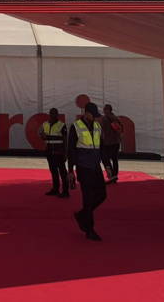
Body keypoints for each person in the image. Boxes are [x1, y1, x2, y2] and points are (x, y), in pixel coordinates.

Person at [68, 102, 106, 241]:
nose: (94, 118)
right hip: (83, 167)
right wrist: (70, 170)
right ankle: (89, 229)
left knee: (102, 195)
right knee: (88, 198)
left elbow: (102, 147)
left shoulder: (97, 127)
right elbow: (71, 150)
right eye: (93, 115)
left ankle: (82, 214)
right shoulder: (76, 127)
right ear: (86, 113)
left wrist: (107, 165)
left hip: (96, 166)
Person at [38, 108, 70, 198]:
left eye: (55, 113)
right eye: (51, 113)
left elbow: (65, 140)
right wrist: (42, 136)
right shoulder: (45, 124)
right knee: (53, 171)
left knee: (62, 171)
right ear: (49, 114)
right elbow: (42, 135)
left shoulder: (62, 125)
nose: (53, 115)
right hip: (49, 151)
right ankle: (55, 189)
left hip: (59, 151)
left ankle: (65, 191)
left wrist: (65, 153)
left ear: (57, 114)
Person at [100, 104, 124, 184]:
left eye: (105, 109)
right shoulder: (116, 118)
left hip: (107, 142)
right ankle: (115, 175)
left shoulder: (104, 118)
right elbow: (121, 129)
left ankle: (111, 175)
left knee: (106, 159)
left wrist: (101, 139)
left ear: (108, 110)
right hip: (116, 141)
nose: (104, 110)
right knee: (115, 159)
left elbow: (101, 129)